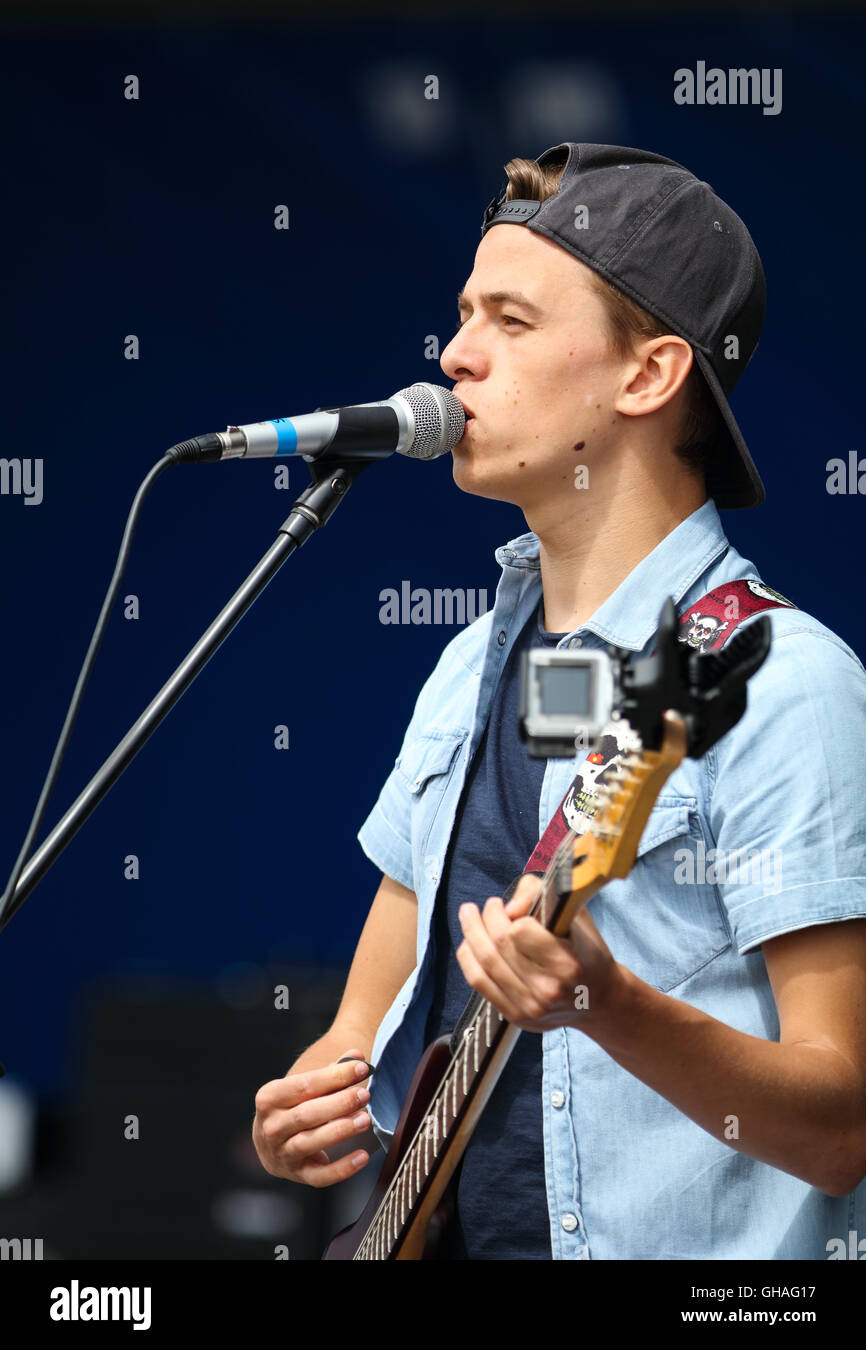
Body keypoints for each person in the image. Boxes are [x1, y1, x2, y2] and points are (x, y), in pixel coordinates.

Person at [252, 142, 866, 1259]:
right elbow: (355, 1034)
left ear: (647, 376)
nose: (453, 356)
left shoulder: (780, 684)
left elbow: (838, 1128)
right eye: (462, 315)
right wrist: (310, 1105)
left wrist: (606, 1004)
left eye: (511, 321)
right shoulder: (466, 668)